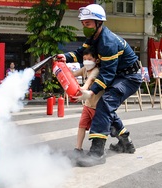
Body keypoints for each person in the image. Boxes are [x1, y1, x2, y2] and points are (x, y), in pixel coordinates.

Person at [59, 4, 142, 167]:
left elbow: (107, 74)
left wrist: (90, 92)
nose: (85, 27)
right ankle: (126, 143)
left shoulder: (108, 42)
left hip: (129, 77)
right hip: (120, 75)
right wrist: (65, 57)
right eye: (83, 24)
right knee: (106, 108)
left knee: (104, 105)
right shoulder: (93, 38)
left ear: (98, 23)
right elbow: (79, 54)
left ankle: (97, 153)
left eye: (88, 24)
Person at [71, 47, 104, 155]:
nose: (86, 62)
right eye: (85, 59)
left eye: (89, 59)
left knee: (98, 129)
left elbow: (88, 82)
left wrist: (81, 90)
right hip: (87, 105)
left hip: (97, 107)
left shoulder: (96, 71)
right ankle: (78, 148)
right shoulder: (84, 69)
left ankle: (96, 151)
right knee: (82, 125)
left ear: (96, 60)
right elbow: (73, 74)